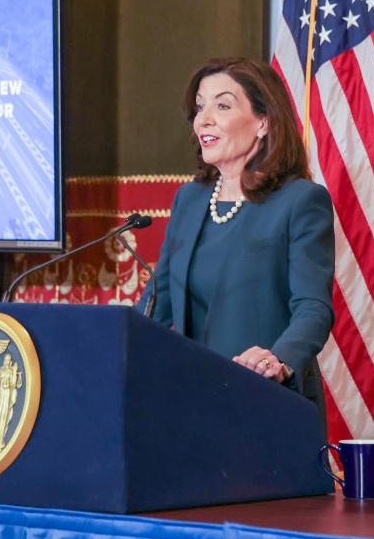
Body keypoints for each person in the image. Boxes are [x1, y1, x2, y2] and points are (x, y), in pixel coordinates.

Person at [143, 56, 335, 429]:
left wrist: (277, 359)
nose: (204, 119)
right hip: (192, 404)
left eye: (222, 105)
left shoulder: (300, 201)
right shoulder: (190, 199)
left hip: (265, 400)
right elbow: (157, 305)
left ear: (263, 122)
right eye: (200, 107)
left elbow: (313, 309)